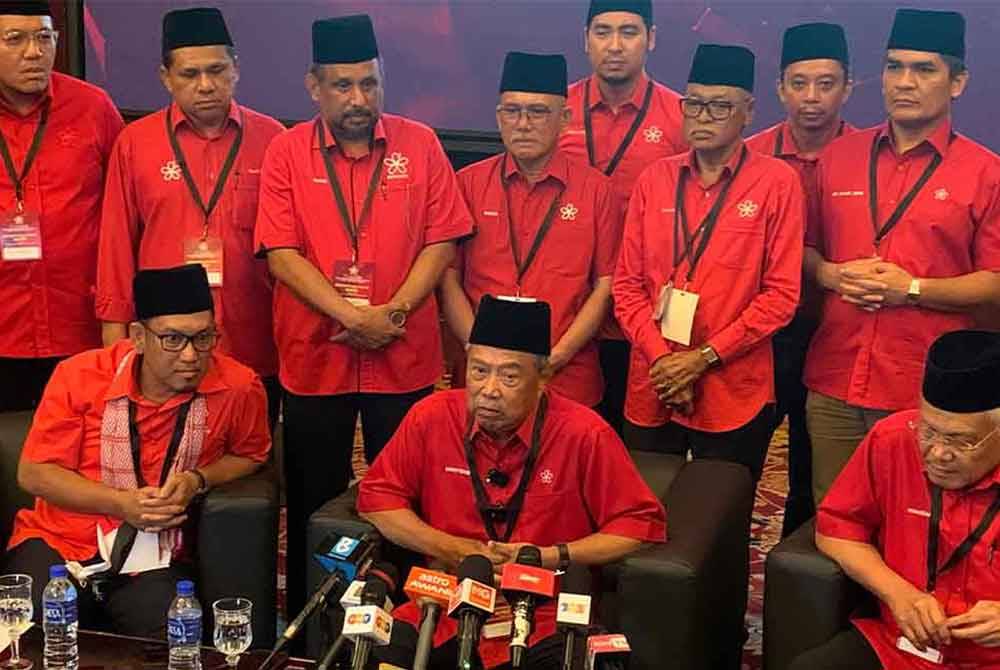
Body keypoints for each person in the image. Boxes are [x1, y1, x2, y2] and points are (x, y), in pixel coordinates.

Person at [253, 14, 472, 616]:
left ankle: (401, 615)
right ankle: (310, 611)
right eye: (343, 86)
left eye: (369, 84)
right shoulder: (285, 152)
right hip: (315, 352)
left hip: (402, 354)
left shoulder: (420, 143)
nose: (358, 99)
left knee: (407, 495)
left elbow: (441, 241)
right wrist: (352, 314)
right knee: (312, 494)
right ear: (313, 86)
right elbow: (281, 254)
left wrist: (393, 312)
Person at [358, 295, 666, 669]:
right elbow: (378, 498)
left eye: (509, 376)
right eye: (478, 371)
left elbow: (638, 524)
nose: (489, 390)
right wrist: (453, 548)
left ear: (543, 378)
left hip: (543, 615)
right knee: (370, 651)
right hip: (443, 604)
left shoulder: (584, 434)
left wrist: (553, 555)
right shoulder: (431, 417)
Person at [1, 264, 271, 637]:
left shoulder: (239, 386)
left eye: (204, 338)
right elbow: (34, 473)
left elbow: (251, 455)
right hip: (62, 539)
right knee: (23, 626)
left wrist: (197, 479)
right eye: (173, 339)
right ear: (138, 337)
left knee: (174, 637)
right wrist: (121, 504)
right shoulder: (80, 376)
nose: (191, 355)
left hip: (156, 551)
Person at [803, 8, 1000, 504]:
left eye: (924, 69)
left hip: (927, 394)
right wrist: (829, 274)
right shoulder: (839, 157)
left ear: (957, 83)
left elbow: (996, 281)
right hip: (835, 378)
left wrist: (911, 289)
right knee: (836, 517)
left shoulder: (985, 173)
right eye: (894, 67)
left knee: (917, 517)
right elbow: (801, 251)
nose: (904, 82)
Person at [613, 43, 803, 485]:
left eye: (720, 106)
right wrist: (665, 361)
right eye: (694, 104)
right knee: (643, 515)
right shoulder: (655, 179)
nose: (703, 116)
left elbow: (781, 296)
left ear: (748, 111)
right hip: (653, 380)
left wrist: (701, 359)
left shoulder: (777, 183)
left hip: (732, 384)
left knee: (721, 519)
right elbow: (627, 286)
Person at [96, 7, 284, 424]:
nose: (205, 86)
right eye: (189, 74)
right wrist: (116, 343)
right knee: (163, 467)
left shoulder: (275, 140)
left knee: (251, 464)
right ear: (166, 77)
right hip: (165, 351)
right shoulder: (135, 143)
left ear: (236, 69)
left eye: (217, 70)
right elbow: (115, 247)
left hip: (255, 342)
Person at [795, 330, 1000, 670]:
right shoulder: (893, 439)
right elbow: (837, 528)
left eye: (959, 441)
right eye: (928, 430)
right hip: (902, 646)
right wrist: (898, 594)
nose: (936, 453)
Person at [439, 52, 620, 408]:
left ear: (564, 118)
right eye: (512, 111)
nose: (523, 123)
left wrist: (557, 356)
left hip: (566, 373)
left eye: (538, 112)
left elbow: (606, 285)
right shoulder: (467, 184)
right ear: (498, 117)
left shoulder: (598, 191)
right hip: (482, 377)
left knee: (566, 461)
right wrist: (475, 347)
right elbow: (448, 276)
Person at [746, 22, 855, 536]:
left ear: (848, 88)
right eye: (799, 82)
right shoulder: (749, 156)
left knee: (817, 471)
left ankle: (800, 587)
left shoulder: (868, 158)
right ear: (779, 88)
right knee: (741, 463)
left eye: (826, 83)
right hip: (759, 334)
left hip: (836, 330)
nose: (811, 98)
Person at [560, 0, 686, 435]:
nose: (615, 45)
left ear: (651, 39)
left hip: (644, 313)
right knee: (568, 439)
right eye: (602, 32)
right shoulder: (556, 111)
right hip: (570, 309)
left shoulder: (680, 117)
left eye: (629, 32)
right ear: (585, 39)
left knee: (636, 446)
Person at [0, 0, 124, 411]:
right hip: (4, 323)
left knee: (79, 455)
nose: (34, 52)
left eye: (44, 37)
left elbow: (124, 212)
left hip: (78, 325)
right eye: (15, 39)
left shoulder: (92, 108)